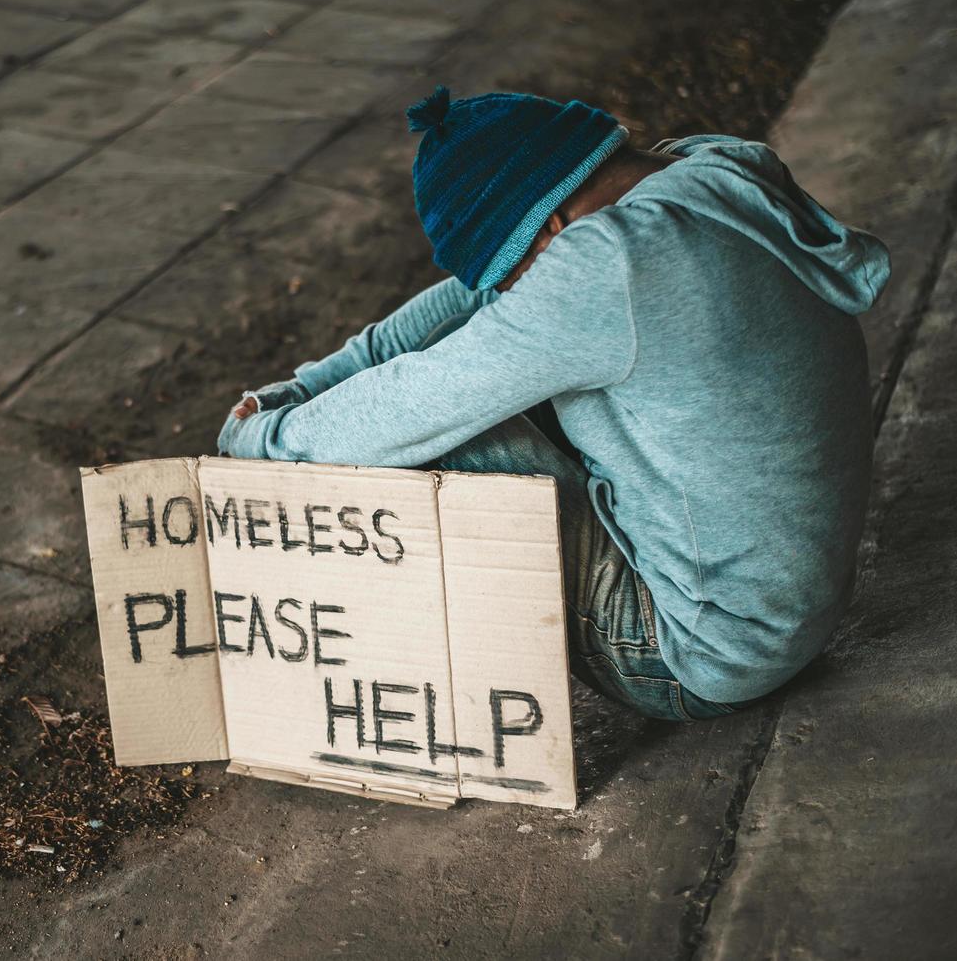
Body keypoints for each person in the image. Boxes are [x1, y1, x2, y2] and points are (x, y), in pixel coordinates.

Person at [216, 87, 889, 721]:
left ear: (551, 231)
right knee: (480, 375)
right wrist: (296, 392)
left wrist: (256, 440)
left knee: (430, 440)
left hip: (701, 654)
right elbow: (461, 309)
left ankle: (363, 695)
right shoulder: (709, 171)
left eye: (514, 280)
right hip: (789, 609)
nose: (511, 297)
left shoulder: (608, 267)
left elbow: (410, 404)